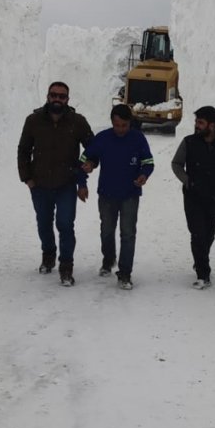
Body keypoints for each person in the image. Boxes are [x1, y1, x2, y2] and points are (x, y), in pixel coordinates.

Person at [17, 81, 94, 286]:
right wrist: (28, 178)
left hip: (66, 184)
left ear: (68, 99)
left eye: (62, 96)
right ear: (47, 96)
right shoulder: (33, 120)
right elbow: (23, 150)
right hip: (39, 184)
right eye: (54, 95)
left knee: (65, 225)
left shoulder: (78, 122)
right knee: (44, 224)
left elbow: (93, 147)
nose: (57, 99)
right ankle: (48, 255)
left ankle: (66, 266)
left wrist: (90, 163)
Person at [80, 104, 154, 291]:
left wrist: (144, 175)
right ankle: (108, 259)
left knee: (128, 233)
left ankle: (125, 273)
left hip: (130, 194)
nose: (120, 129)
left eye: (124, 125)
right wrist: (88, 168)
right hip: (106, 194)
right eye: (117, 125)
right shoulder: (103, 138)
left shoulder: (138, 139)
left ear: (130, 123)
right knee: (107, 230)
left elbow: (148, 162)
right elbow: (85, 159)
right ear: (112, 122)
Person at [171, 105, 215, 289]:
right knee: (198, 233)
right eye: (196, 122)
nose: (196, 125)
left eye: (200, 122)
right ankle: (203, 273)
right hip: (193, 196)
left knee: (209, 233)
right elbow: (176, 164)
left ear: (212, 125)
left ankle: (201, 258)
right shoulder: (189, 142)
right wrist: (187, 181)